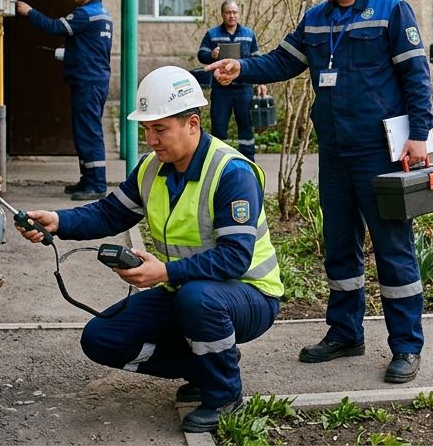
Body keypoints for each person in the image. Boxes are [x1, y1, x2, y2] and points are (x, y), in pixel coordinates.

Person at [205, 0, 433, 385]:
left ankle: (406, 346)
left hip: (380, 154)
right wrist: (240, 67)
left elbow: (416, 76)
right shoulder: (315, 19)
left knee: (393, 250)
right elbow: (282, 61)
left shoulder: (391, 11)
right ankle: (345, 332)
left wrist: (419, 136)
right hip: (334, 153)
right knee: (339, 247)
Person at [15, 66, 283, 433]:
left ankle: (224, 395)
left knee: (198, 299)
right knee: (101, 338)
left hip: (250, 295)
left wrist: (166, 273)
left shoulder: (231, 172)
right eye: (146, 129)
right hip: (187, 289)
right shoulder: (151, 168)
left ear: (192, 123)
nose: (151, 139)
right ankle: (204, 366)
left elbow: (236, 256)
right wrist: (58, 222)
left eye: (160, 129)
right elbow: (110, 213)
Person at [17, 0, 113, 201]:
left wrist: (28, 11)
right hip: (93, 79)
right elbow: (89, 48)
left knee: (89, 132)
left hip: (88, 81)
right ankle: (88, 178)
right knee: (84, 131)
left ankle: (97, 183)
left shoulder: (85, 14)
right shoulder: (101, 13)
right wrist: (69, 54)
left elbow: (55, 27)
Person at [197, 0, 267, 160]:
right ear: (222, 14)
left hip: (244, 89)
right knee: (219, 127)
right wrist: (211, 55)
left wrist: (262, 82)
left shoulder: (248, 35)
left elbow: (257, 60)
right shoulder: (212, 34)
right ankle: (219, 162)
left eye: (234, 12)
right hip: (221, 89)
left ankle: (248, 160)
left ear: (239, 14)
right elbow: (201, 55)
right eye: (228, 12)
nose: (232, 16)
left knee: (246, 127)